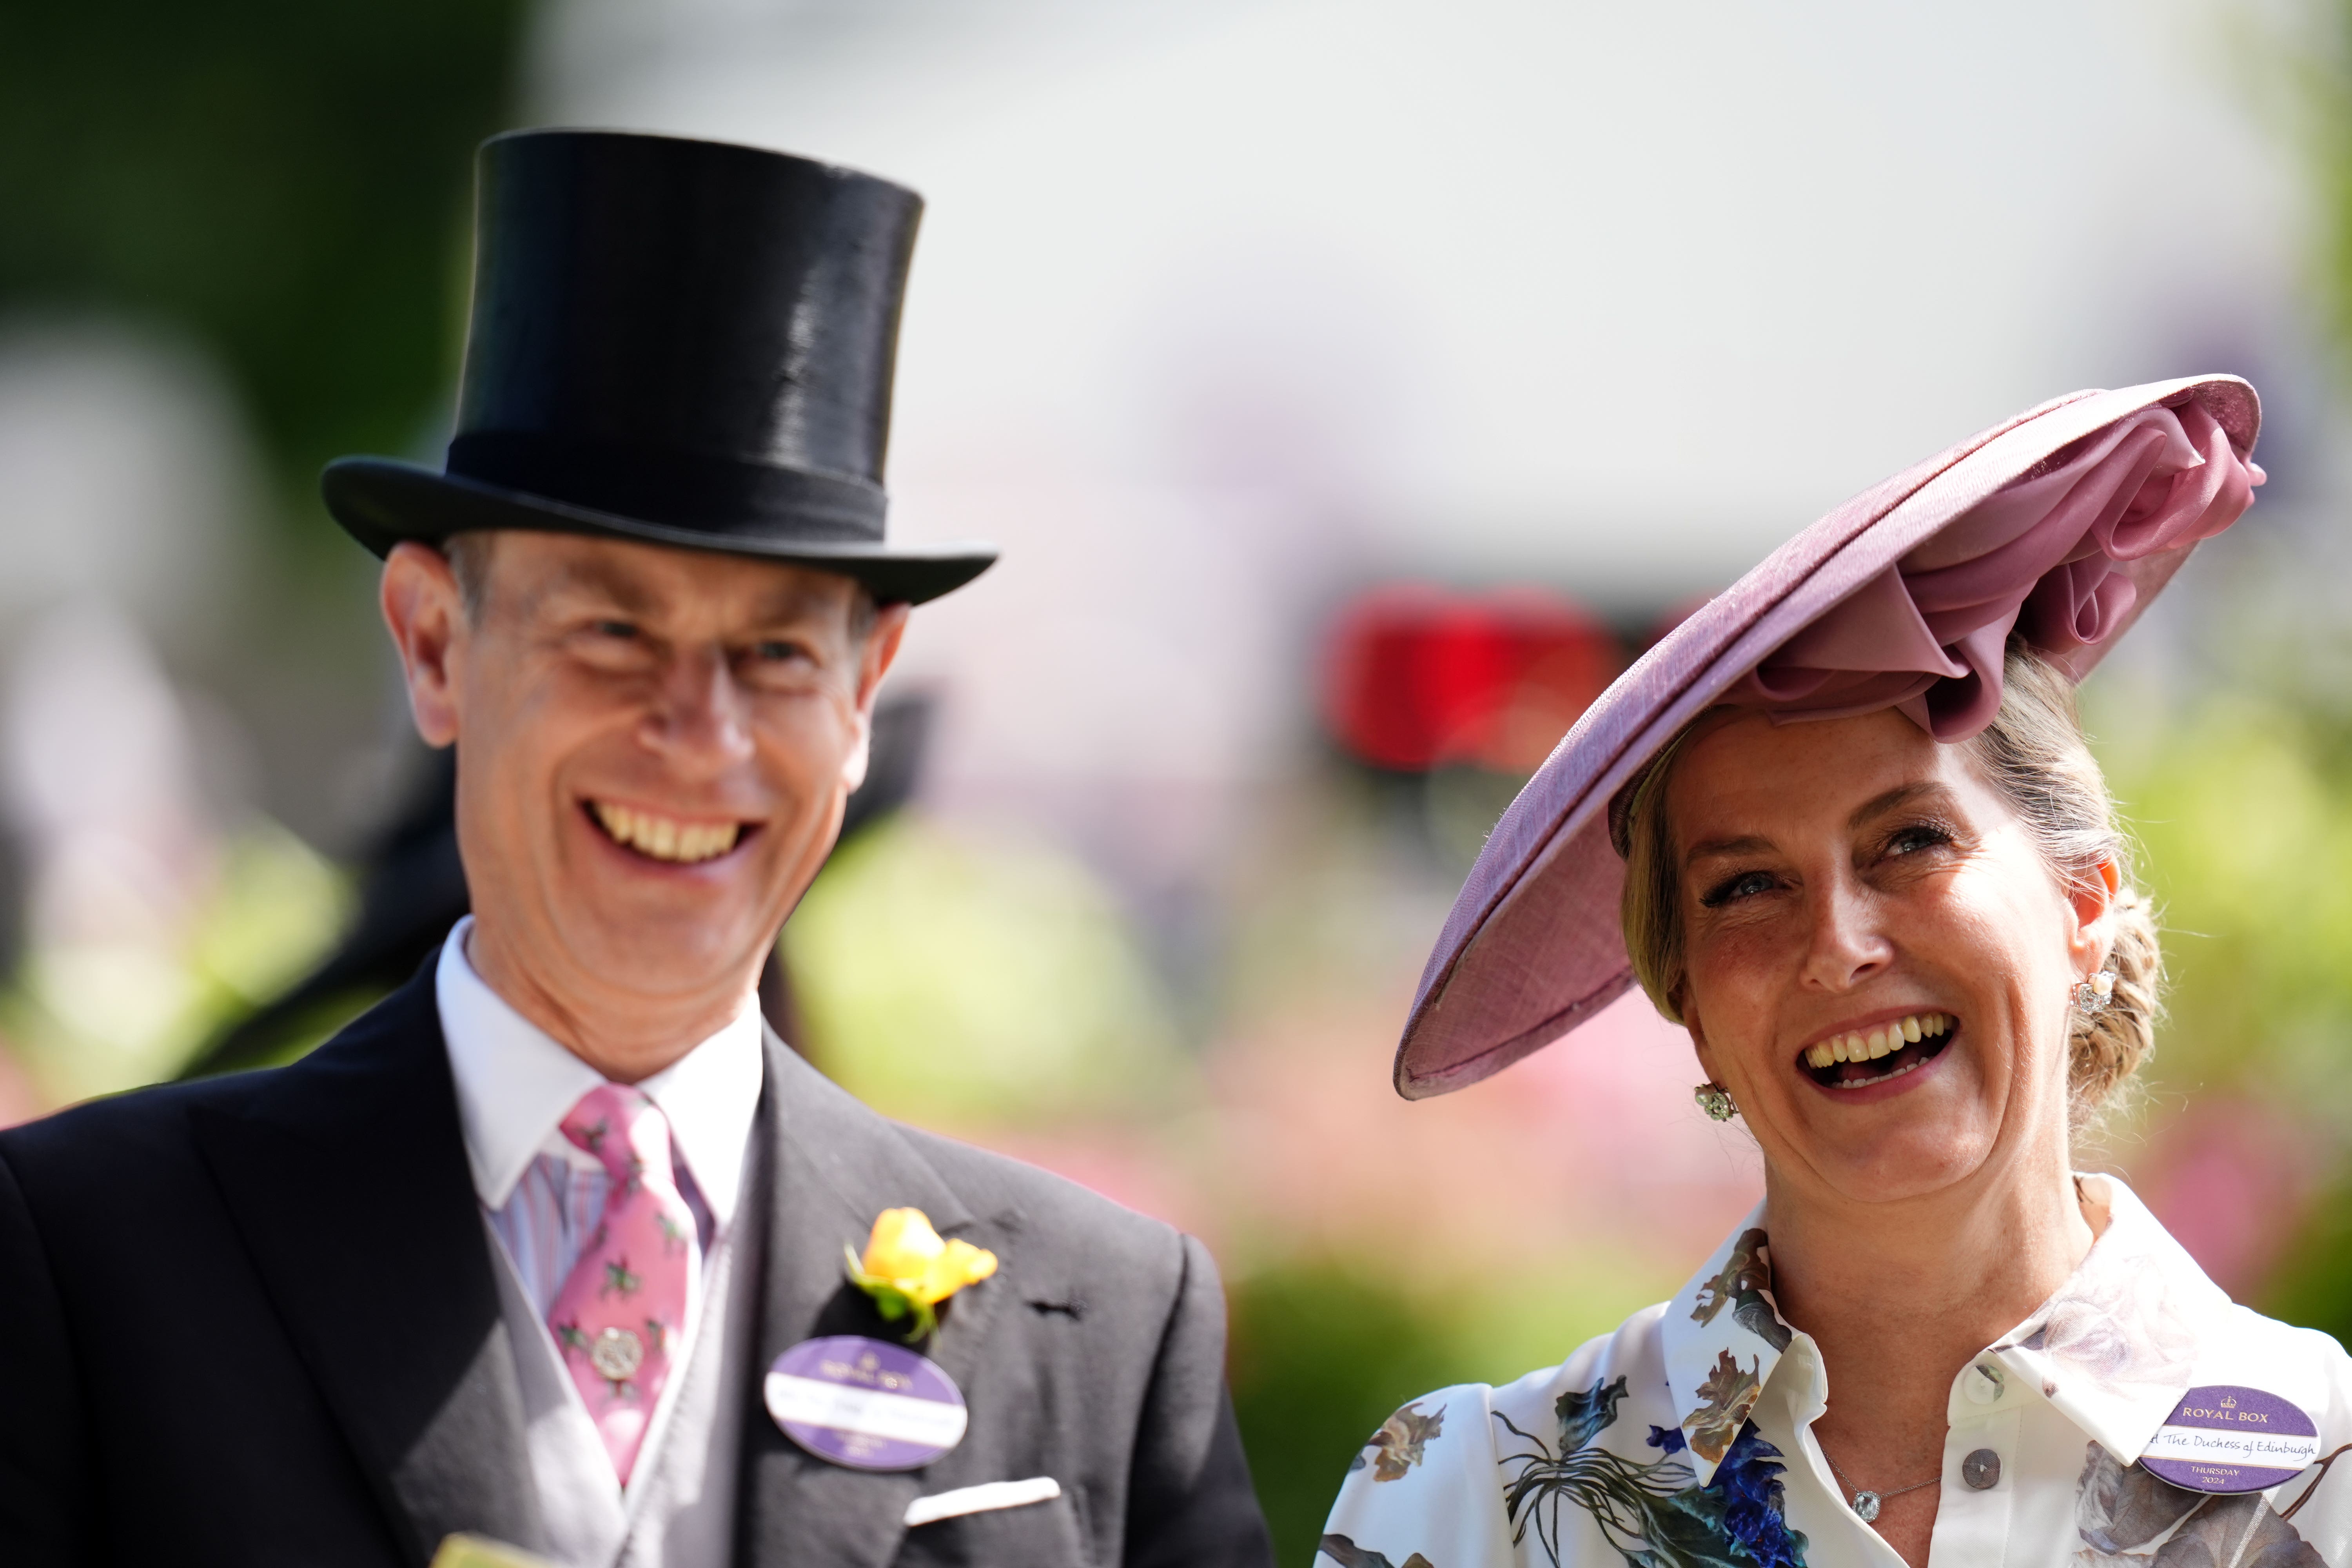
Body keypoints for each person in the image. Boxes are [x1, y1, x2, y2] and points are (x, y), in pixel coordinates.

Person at [0, 129, 1273, 1568]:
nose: (700, 732)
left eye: (778, 654)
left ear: (863, 695)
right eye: (614, 629)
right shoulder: (86, 1257)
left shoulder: (1105, 1321)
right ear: (433, 643)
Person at [1321, 377, 2352, 1568]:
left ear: (2084, 906)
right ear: (1692, 1009)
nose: (1839, 945)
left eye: (1911, 841)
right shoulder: (1472, 1507)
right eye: (1746, 888)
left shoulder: (2328, 1474)